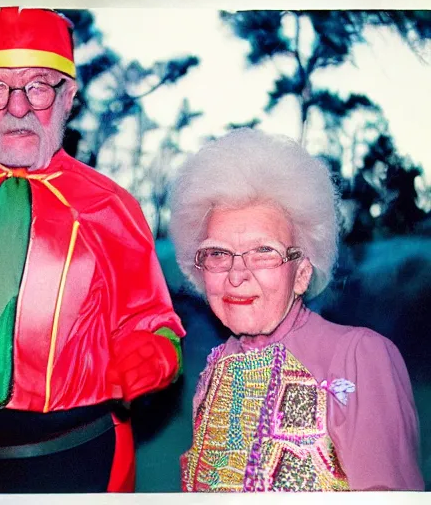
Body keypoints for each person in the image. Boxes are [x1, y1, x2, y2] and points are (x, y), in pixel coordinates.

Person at [0, 7, 184, 493]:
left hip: (77, 462)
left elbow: (152, 323)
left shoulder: (111, 206)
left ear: (68, 97)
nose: (18, 108)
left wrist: (150, 354)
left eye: (39, 85)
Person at [169, 128, 424, 492]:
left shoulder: (359, 358)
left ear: (302, 272)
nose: (236, 275)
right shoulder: (217, 367)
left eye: (264, 252)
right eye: (218, 254)